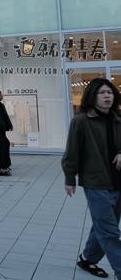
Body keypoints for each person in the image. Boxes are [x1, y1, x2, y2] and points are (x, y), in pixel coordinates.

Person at [62, 77, 121, 279]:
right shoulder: (81, 121)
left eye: (110, 92)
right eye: (102, 92)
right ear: (93, 96)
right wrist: (70, 178)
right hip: (96, 182)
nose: (107, 96)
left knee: (104, 225)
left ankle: (88, 258)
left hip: (117, 181)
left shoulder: (117, 119)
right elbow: (72, 152)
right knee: (110, 232)